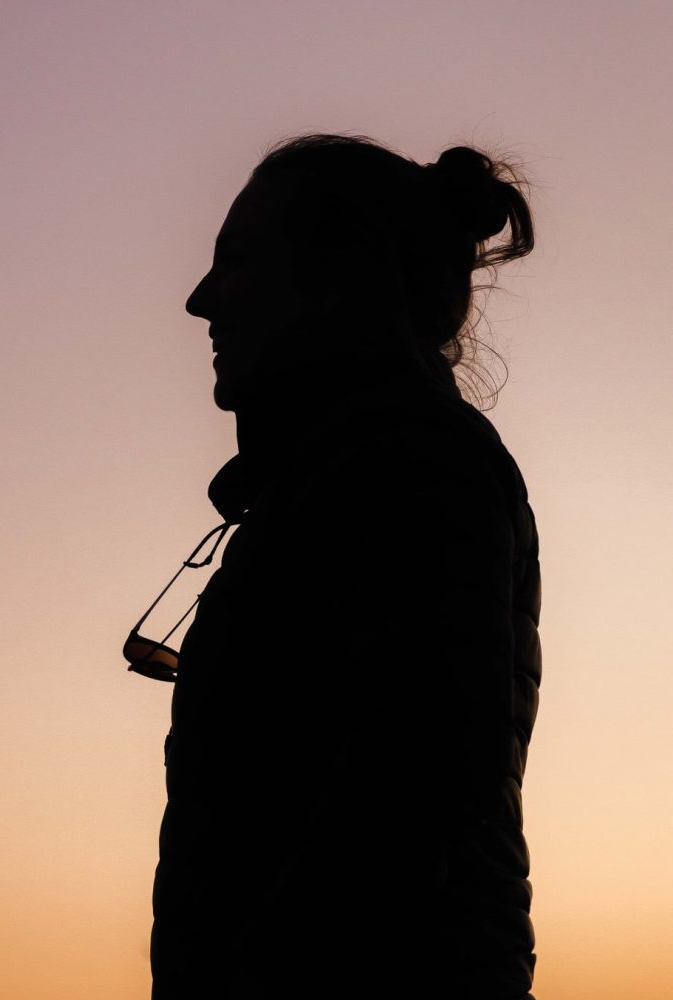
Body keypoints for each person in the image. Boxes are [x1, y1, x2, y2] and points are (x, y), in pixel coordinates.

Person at [130, 134, 542, 999]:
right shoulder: (344, 476)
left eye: (237, 262)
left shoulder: (410, 469)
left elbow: (409, 805)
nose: (200, 300)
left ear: (340, 280)